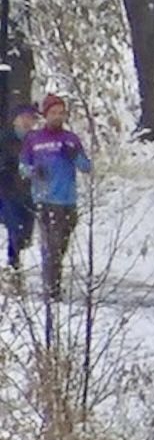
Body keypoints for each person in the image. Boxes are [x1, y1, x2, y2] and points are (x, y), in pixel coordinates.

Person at [19, 94, 92, 301]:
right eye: (53, 113)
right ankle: (51, 291)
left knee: (60, 248)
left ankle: (54, 282)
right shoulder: (34, 139)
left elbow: (86, 167)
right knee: (50, 247)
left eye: (61, 113)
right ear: (45, 114)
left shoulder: (70, 139)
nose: (57, 117)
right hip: (45, 200)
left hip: (68, 201)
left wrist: (74, 155)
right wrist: (35, 171)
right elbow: (23, 167)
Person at [1, 102, 38, 270]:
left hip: (30, 191)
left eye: (31, 118)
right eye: (24, 117)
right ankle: (13, 264)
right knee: (14, 227)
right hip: (8, 190)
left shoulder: (37, 140)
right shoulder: (5, 139)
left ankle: (15, 259)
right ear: (15, 120)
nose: (27, 121)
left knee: (25, 233)